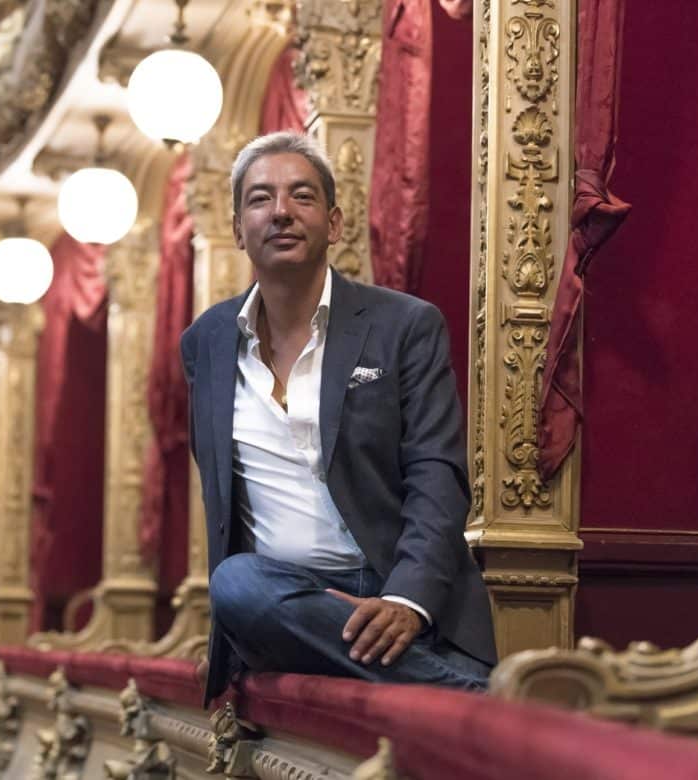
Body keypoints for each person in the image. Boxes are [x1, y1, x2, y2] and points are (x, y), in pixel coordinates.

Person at [180, 132, 497, 706]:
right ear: (237, 229)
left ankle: (440, 678)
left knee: (255, 592)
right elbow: (224, 502)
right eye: (260, 199)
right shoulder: (205, 342)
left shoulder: (405, 325)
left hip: (397, 586)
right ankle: (477, 699)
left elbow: (436, 473)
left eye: (301, 196)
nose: (281, 211)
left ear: (335, 223)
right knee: (237, 582)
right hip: (287, 597)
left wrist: (406, 600)